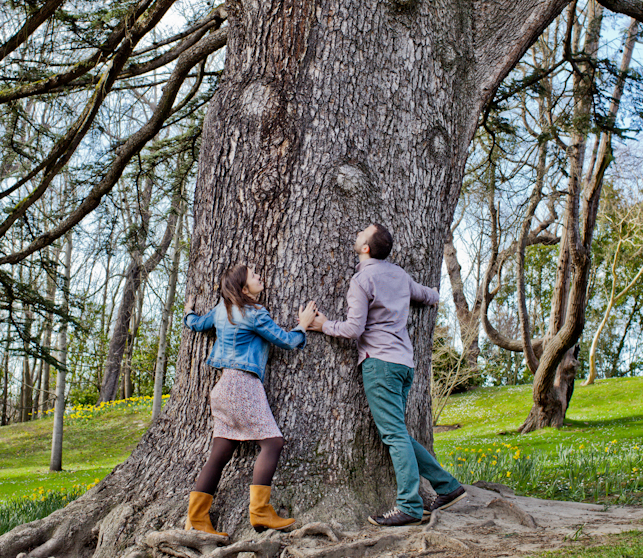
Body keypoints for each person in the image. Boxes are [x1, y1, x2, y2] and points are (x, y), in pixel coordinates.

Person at [308, 224, 467, 526]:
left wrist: (323, 325)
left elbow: (354, 329)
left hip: (380, 365)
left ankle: (409, 505)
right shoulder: (400, 276)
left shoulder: (362, 280)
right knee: (400, 433)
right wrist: (434, 295)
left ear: (366, 247)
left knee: (394, 434)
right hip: (404, 365)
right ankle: (448, 487)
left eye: (361, 234)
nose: (357, 234)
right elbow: (428, 295)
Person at [183, 264, 318, 535]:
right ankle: (260, 513)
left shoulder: (222, 310)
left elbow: (198, 324)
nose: (260, 277)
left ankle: (196, 519)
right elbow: (287, 341)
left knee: (220, 454)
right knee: (272, 442)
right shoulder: (255, 313)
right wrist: (302, 325)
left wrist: (187, 314)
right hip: (243, 385)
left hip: (223, 387)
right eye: (254, 277)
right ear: (244, 289)